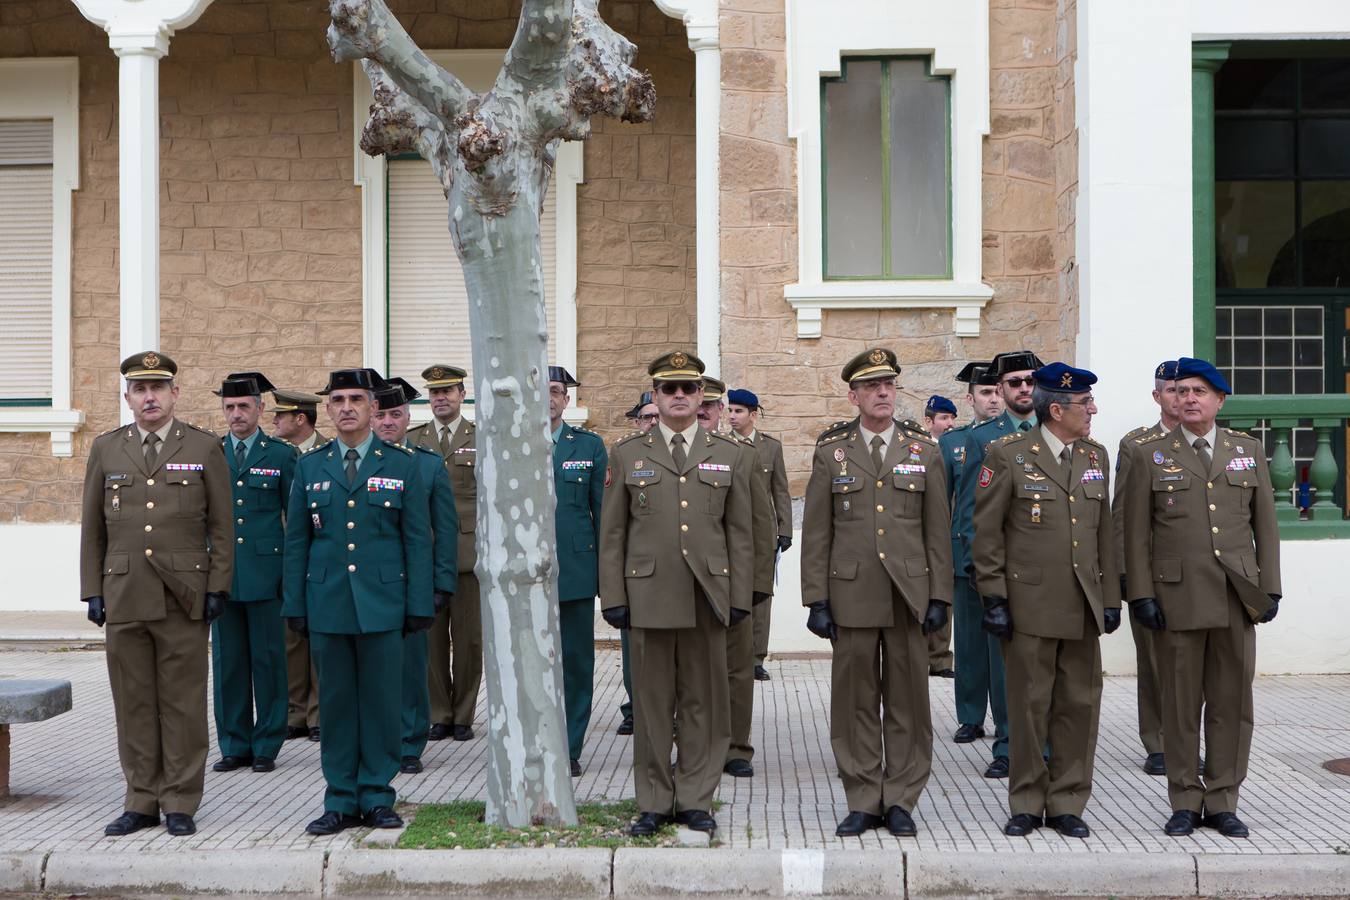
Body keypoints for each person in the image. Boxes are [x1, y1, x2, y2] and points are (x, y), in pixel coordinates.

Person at [1123, 357, 1281, 839]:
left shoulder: (1246, 449)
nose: (1190, 398)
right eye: (1182, 390)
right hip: (1178, 597)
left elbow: (1266, 526)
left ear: (1219, 400)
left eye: (1200, 391)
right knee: (1180, 703)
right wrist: (1140, 594)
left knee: (1232, 703)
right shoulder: (1150, 452)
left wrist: (1269, 587)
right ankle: (1185, 800)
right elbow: (1134, 533)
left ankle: (1224, 799)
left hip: (1236, 596)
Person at [599, 351, 754, 837]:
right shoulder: (627, 454)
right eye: (670, 389)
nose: (681, 396)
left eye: (689, 388)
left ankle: (694, 799)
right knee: (650, 705)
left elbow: (742, 532)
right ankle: (652, 800)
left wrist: (740, 594)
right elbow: (613, 534)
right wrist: (613, 595)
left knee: (702, 704)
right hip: (648, 597)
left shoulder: (731, 454)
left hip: (709, 595)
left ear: (703, 396)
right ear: (656, 397)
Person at [800, 348, 953, 838]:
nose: (883, 392)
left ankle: (903, 797)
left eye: (889, 384)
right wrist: (816, 599)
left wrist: (941, 598)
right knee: (855, 703)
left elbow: (937, 532)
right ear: (854, 396)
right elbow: (817, 533)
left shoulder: (923, 450)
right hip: (851, 594)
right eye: (871, 386)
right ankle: (863, 796)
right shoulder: (831, 451)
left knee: (909, 702)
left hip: (910, 596)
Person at [79, 351, 233, 837]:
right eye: (140, 390)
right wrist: (92, 590)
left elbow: (223, 527)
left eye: (158, 389)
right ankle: (140, 798)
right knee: (134, 702)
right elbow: (92, 528)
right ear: (127, 398)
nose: (149, 397)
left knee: (184, 703)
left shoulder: (205, 447)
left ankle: (181, 799)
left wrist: (218, 586)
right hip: (124, 593)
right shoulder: (106, 448)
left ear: (175, 394)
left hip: (183, 594)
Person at [972, 362, 1120, 839]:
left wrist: (1111, 597)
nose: (1092, 409)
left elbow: (1105, 535)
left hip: (1082, 606)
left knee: (1079, 708)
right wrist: (993, 597)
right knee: (1029, 709)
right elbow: (987, 534)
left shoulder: (1095, 456)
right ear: (1056, 409)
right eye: (1084, 404)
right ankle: (1027, 801)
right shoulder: (1009, 453)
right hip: (1029, 606)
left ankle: (1067, 802)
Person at [282, 368, 433, 835]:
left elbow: (417, 541)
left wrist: (418, 603)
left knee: (383, 703)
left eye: (356, 400)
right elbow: (297, 543)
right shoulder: (310, 466)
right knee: (336, 704)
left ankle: (377, 794)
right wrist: (296, 605)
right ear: (326, 410)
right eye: (338, 400)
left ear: (372, 408)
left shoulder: (401, 464)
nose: (346, 407)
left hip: (385, 603)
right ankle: (340, 797)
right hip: (327, 602)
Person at [952, 350, 1044, 779]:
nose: (1024, 388)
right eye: (1014, 382)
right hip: (1004, 572)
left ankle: (1046, 742)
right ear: (1002, 391)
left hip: (1052, 571)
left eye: (1030, 380)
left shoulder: (1055, 431)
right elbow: (971, 510)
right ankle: (1008, 744)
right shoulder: (982, 440)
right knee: (1005, 663)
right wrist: (976, 568)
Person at [371, 376, 458, 775]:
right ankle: (373, 739)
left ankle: (409, 742)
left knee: (410, 668)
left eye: (395, 413)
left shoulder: (427, 465)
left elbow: (445, 528)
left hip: (410, 585)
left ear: (408, 417)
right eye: (381, 414)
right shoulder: (350, 462)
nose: (387, 421)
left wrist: (440, 583)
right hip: (366, 585)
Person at [211, 372, 296, 775]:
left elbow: (294, 522)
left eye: (244, 406)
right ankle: (234, 744)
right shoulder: (210, 453)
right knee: (228, 664)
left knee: (268, 662)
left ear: (260, 409)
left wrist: (291, 576)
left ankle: (266, 743)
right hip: (223, 576)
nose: (236, 414)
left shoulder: (280, 455)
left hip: (267, 573)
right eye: (229, 407)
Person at [699, 376, 775, 779]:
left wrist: (757, 587)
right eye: (700, 405)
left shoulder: (739, 455)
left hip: (732, 585)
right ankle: (693, 745)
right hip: (684, 586)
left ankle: (735, 747)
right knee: (687, 671)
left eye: (712, 406)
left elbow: (761, 526)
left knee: (736, 671)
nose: (704, 413)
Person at [1112, 360, 1181, 777]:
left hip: (1199, 574)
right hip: (1153, 573)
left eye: (1186, 389)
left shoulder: (1216, 444)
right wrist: (1125, 573)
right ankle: (1157, 742)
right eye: (1171, 390)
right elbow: (1122, 514)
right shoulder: (1137, 445)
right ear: (1157, 397)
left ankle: (1187, 739)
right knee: (1155, 662)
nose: (1180, 397)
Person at [408, 364, 481, 742]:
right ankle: (439, 712)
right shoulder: (413, 439)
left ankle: (464, 713)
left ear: (461, 393)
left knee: (469, 641)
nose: (440, 398)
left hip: (468, 554)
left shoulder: (481, 436)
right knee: (432, 641)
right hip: (428, 554)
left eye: (447, 391)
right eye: (434, 393)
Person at [547, 366, 607, 777]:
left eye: (555, 391)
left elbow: (603, 514)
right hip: (524, 575)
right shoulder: (510, 443)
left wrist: (606, 576)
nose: (548, 399)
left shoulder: (588, 445)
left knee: (575, 663)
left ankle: (569, 746)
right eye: (540, 391)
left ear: (566, 400)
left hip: (575, 570)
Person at [941, 362, 1004, 743]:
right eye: (985, 392)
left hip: (1001, 558)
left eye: (998, 391)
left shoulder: (1017, 437)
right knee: (967, 644)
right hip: (963, 554)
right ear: (970, 399)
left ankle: (1005, 719)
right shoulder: (953, 442)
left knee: (1001, 648)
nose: (993, 399)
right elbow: (942, 504)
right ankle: (970, 715)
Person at [726, 388, 792, 682]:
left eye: (738, 411)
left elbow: (781, 490)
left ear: (753, 415)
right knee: (733, 589)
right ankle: (733, 653)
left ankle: (756, 657)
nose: (732, 416)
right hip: (731, 529)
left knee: (761, 594)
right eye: (730, 410)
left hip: (763, 531)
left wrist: (785, 529)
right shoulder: (721, 445)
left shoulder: (770, 447)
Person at [272, 388, 325, 741]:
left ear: (300, 419)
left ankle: (319, 713)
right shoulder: (276, 455)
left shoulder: (327, 454)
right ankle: (296, 711)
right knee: (291, 639)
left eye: (281, 415)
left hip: (320, 558)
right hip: (286, 557)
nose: (275, 421)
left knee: (320, 638)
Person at [614, 389, 658, 737]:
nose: (652, 422)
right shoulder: (625, 455)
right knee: (633, 651)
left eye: (657, 416)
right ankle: (634, 706)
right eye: (646, 417)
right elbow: (613, 525)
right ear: (637, 421)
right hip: (637, 573)